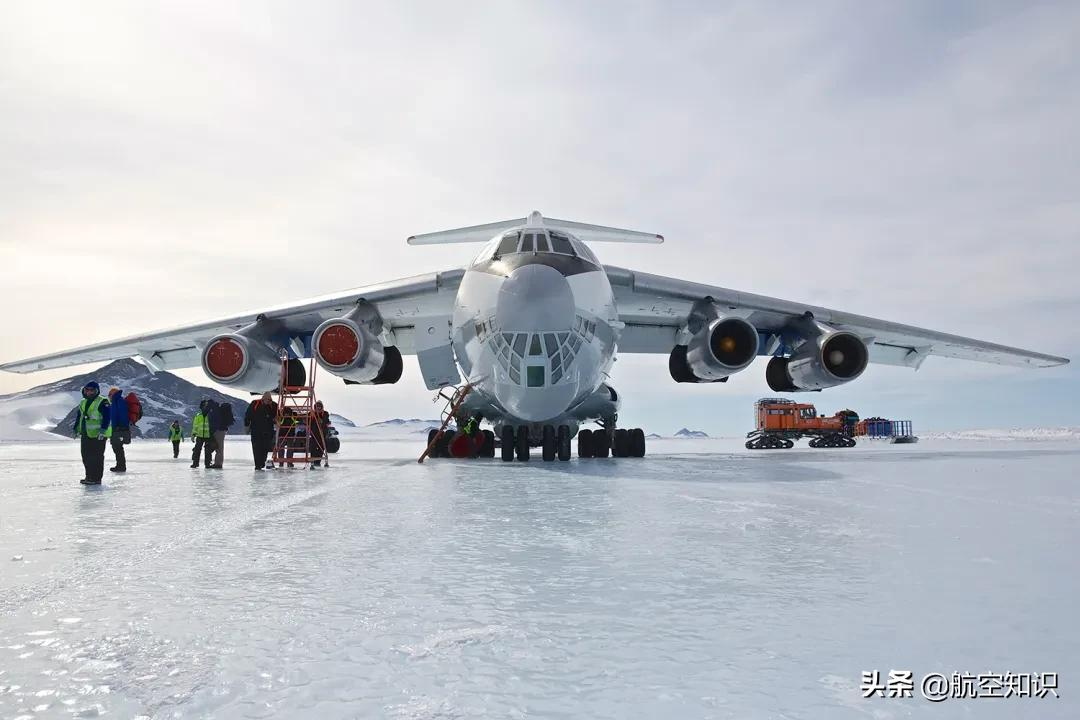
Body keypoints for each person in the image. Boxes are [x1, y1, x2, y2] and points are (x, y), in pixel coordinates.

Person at [72, 381, 111, 485]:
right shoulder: (83, 402)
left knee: (97, 457)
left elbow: (107, 417)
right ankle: (89, 476)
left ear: (96, 391)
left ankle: (96, 478)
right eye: (87, 390)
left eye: (92, 390)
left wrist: (103, 430)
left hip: (98, 435)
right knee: (86, 456)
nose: (89, 392)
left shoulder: (102, 401)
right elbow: (79, 417)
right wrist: (76, 429)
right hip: (86, 434)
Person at [244, 393, 278, 470]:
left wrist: (276, 421)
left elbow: (276, 417)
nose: (267, 401)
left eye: (269, 400)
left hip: (268, 431)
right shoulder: (255, 404)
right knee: (256, 448)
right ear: (263, 398)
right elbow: (248, 415)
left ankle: (262, 462)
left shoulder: (274, 405)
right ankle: (258, 465)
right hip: (256, 430)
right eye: (266, 399)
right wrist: (246, 426)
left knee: (265, 448)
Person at [107, 386, 130, 473]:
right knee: (117, 447)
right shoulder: (117, 401)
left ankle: (121, 466)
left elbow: (123, 414)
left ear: (112, 394)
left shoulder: (119, 401)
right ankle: (120, 465)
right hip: (117, 428)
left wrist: (120, 426)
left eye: (109, 394)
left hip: (119, 429)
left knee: (118, 447)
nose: (108, 396)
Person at [190, 400, 214, 469]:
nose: (205, 407)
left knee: (208, 451)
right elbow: (195, 426)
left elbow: (213, 426)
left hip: (208, 436)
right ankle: (195, 463)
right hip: (199, 436)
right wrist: (193, 435)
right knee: (197, 450)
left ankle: (207, 464)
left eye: (207, 405)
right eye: (204, 405)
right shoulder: (198, 416)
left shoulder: (210, 415)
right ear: (201, 406)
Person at [210, 401, 234, 469]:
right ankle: (218, 463)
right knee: (220, 448)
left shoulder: (219, 412)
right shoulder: (226, 413)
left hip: (218, 431)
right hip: (222, 431)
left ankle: (218, 464)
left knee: (219, 448)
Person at [308, 401, 331, 469]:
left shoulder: (325, 413)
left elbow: (326, 420)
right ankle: (313, 461)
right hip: (314, 433)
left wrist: (322, 421)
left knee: (322, 447)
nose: (318, 408)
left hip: (322, 433)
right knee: (313, 447)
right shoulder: (311, 413)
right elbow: (309, 421)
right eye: (317, 406)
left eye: (319, 406)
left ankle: (318, 461)